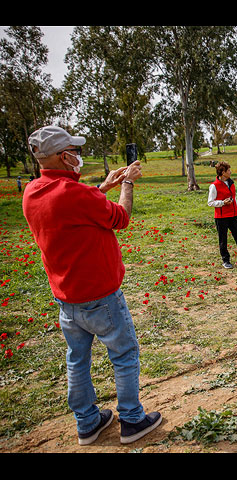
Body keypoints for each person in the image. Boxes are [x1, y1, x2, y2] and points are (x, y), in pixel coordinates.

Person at [22, 125, 162, 445]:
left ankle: (87, 422)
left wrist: (103, 186)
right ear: (62, 156)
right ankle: (131, 419)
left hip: (67, 298)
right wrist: (126, 182)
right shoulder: (78, 194)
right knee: (124, 354)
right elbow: (121, 217)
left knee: (77, 359)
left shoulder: (32, 192)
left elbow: (72, 208)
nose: (78, 155)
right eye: (73, 150)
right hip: (102, 296)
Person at [207, 161, 237, 269]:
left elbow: (234, 199)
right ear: (223, 172)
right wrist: (222, 203)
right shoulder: (214, 186)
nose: (230, 172)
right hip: (221, 217)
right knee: (223, 240)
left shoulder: (231, 183)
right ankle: (226, 261)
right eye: (228, 170)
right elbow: (210, 202)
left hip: (233, 216)